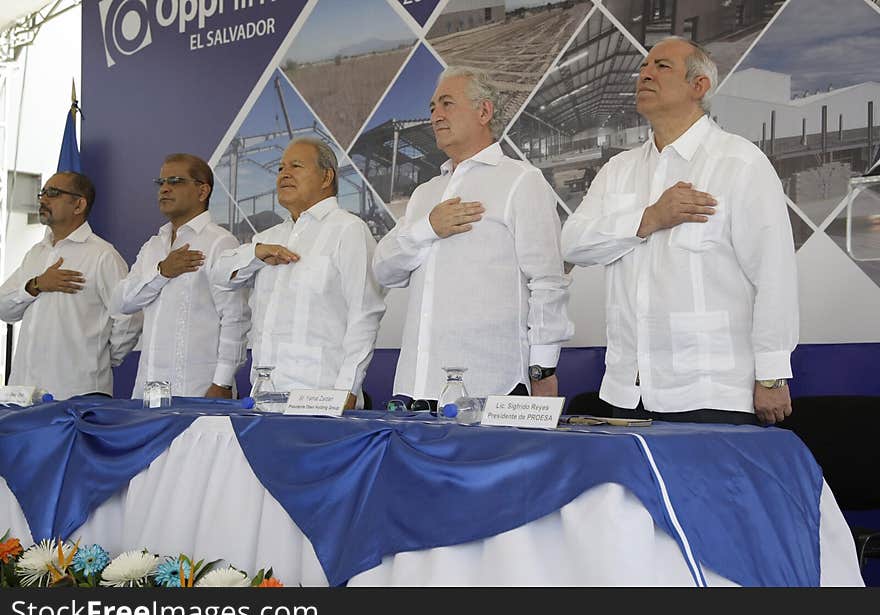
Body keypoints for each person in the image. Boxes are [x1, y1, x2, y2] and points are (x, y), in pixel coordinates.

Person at [561, 36, 798, 426]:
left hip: (711, 388)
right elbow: (574, 244)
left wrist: (771, 373)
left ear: (699, 86)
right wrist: (649, 218)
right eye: (643, 68)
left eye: (661, 67)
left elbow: (775, 275)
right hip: (629, 388)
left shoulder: (738, 162)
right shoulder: (618, 170)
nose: (645, 74)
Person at [372, 66, 573, 407]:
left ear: (484, 112)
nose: (436, 115)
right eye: (432, 107)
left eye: (447, 104)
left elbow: (547, 281)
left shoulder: (521, 180)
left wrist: (542, 369)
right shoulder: (424, 194)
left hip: (491, 384)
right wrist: (428, 228)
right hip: (417, 388)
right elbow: (384, 270)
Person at [211, 137, 385, 410]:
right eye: (280, 168)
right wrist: (255, 255)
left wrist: (347, 391)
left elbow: (365, 315)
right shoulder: (269, 238)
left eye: (296, 166)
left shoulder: (348, 230)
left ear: (326, 176)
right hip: (263, 400)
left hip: (321, 401)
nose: (284, 174)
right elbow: (220, 275)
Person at [112, 154, 250, 398]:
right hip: (147, 393)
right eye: (161, 182)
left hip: (199, 392)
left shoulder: (220, 242)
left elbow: (235, 319)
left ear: (202, 191)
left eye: (175, 181)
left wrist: (223, 384)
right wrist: (162, 272)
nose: (164, 189)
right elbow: (122, 302)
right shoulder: (153, 246)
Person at [0, 171, 142, 398]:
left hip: (78, 394)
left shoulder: (102, 255)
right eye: (42, 193)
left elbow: (129, 316)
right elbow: (4, 308)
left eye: (53, 193)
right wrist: (35, 285)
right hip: (25, 394)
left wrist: (100, 358)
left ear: (79, 205)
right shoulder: (36, 253)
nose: (43, 199)